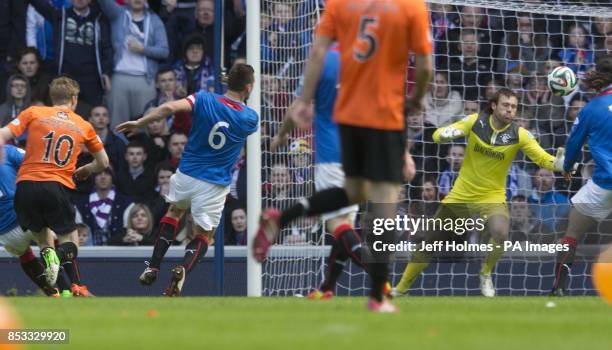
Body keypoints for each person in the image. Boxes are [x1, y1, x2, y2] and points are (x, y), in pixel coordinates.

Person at [253, 0, 433, 312]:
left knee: (355, 192)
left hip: (349, 119)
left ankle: (283, 220)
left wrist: (302, 102)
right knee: (383, 202)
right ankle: (378, 295)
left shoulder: (340, 6)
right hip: (383, 116)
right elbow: (426, 65)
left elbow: (317, 53)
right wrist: (416, 100)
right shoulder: (411, 6)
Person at [393, 88, 571, 298]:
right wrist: (443, 133)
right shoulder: (474, 122)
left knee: (501, 232)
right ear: (494, 106)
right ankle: (401, 288)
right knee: (430, 243)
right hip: (461, 196)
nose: (510, 110)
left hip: (492, 197)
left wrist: (560, 163)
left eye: (513, 107)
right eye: (506, 105)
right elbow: (437, 135)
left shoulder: (519, 134)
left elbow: (542, 159)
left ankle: (485, 273)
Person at [116, 63, 258, 296]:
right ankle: (182, 268)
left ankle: (153, 265)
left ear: (227, 81)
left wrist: (140, 123)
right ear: (249, 87)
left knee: (173, 213)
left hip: (188, 172)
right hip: (214, 183)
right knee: (204, 234)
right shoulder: (250, 118)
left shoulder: (204, 98)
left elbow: (170, 106)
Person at [0, 76, 109, 289]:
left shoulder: (33, 112)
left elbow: (4, 133)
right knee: (70, 239)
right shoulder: (83, 125)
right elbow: (104, 162)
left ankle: (59, 286)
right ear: (74, 99)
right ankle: (68, 273)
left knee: (43, 241)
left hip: (25, 188)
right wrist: (86, 169)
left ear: (52, 97)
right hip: (54, 185)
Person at [550, 55, 612, 296]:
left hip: (604, 184)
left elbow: (573, 147)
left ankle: (558, 289)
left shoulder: (591, 109)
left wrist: (566, 169)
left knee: (571, 234)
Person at [0, 144, 57, 297]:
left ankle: (51, 292)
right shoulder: (7, 151)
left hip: (5, 233)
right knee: (55, 241)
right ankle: (71, 287)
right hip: (25, 214)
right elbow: (35, 164)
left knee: (24, 254)